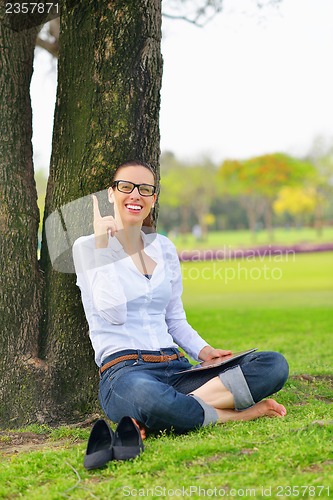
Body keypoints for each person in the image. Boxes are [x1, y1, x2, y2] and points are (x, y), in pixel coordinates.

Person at [73, 160, 289, 436]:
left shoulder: (163, 247)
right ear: (111, 193)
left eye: (145, 189)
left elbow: (174, 318)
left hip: (177, 369)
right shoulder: (89, 246)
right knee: (150, 399)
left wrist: (204, 351)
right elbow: (112, 313)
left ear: (154, 197)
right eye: (126, 186)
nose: (136, 194)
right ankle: (239, 415)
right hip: (127, 374)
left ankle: (165, 415)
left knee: (272, 366)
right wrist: (104, 248)